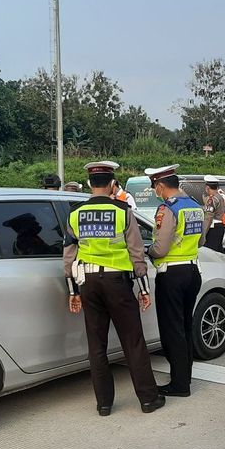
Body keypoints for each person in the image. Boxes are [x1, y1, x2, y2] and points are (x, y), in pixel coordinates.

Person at [62, 161, 164, 416]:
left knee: (96, 345)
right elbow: (136, 251)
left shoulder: (75, 214)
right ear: (111, 184)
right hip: (117, 282)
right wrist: (143, 287)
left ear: (89, 184)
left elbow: (68, 256)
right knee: (133, 341)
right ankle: (149, 399)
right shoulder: (123, 211)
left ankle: (104, 404)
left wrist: (73, 291)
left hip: (88, 284)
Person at [145, 164, 204, 397]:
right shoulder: (195, 207)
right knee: (185, 327)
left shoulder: (167, 209)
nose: (156, 193)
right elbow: (201, 241)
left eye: (155, 188)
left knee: (173, 331)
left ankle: (180, 385)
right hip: (192, 272)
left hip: (171, 275)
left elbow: (160, 248)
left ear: (160, 185)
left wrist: (147, 251)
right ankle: (184, 377)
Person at [202, 175, 225, 253]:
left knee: (211, 253)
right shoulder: (220, 197)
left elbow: (208, 217)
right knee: (219, 252)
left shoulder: (212, 199)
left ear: (207, 188)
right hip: (220, 226)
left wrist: (204, 234)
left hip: (213, 228)